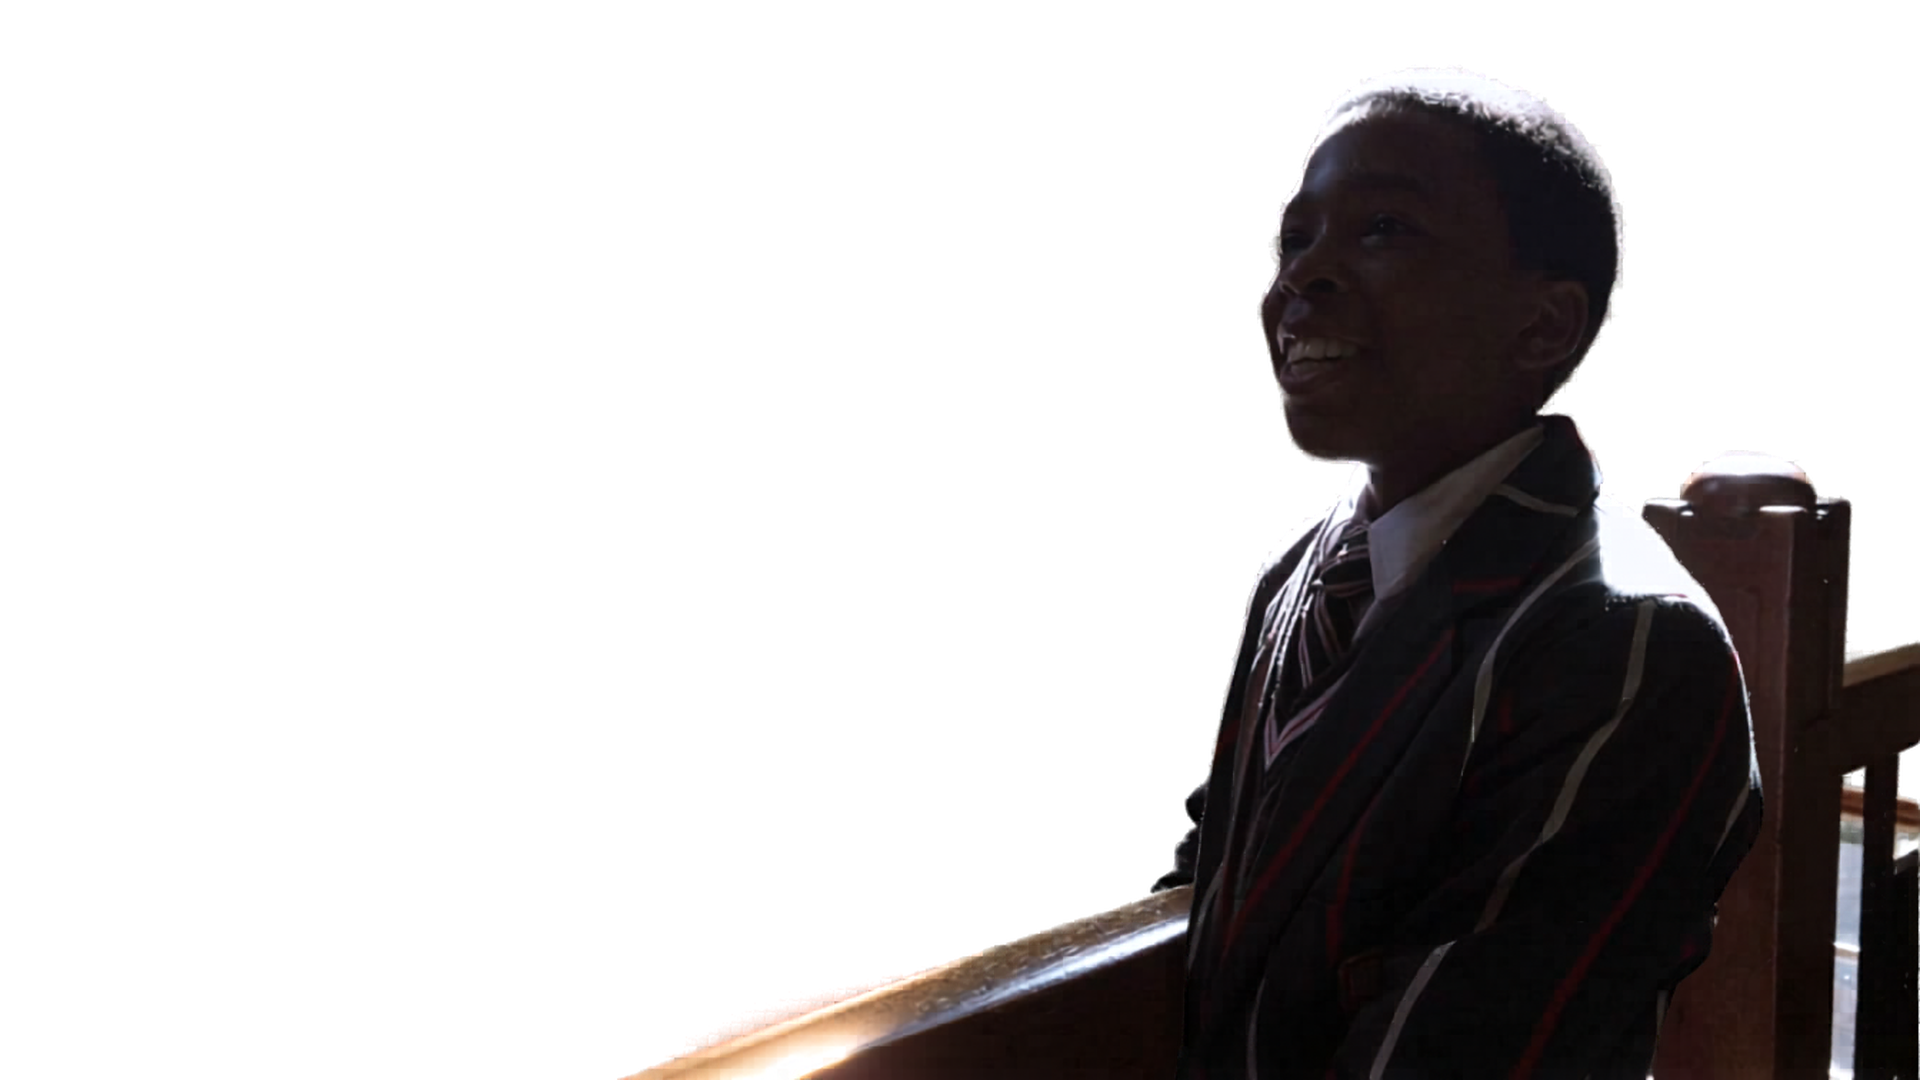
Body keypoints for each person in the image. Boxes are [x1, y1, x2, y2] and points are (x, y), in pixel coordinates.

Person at [1150, 65, 1764, 1079]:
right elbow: (1220, 871)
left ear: (1543, 325)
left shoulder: (1628, 646)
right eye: (1292, 240)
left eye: (1384, 230)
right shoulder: (1298, 566)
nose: (1304, 277)